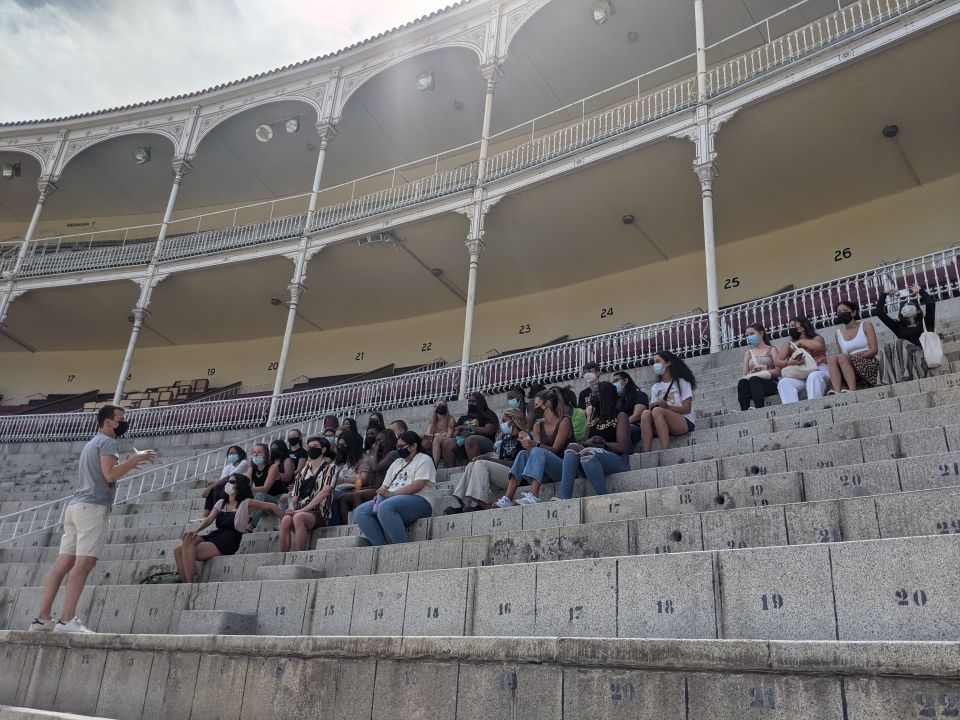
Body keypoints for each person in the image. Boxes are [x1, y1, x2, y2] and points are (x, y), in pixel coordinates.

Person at [30, 405, 155, 633]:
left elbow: (105, 472)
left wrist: (125, 463)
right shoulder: (107, 442)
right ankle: (67, 619)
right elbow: (110, 475)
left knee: (63, 563)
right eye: (121, 419)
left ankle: (42, 618)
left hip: (76, 506)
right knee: (84, 562)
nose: (124, 422)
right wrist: (134, 460)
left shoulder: (91, 443)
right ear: (109, 421)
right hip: (93, 507)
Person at [174, 474, 281, 582]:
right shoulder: (221, 502)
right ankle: (186, 583)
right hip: (216, 535)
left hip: (229, 540)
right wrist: (196, 530)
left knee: (184, 552)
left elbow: (273, 506)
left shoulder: (246, 503)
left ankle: (189, 584)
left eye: (232, 482)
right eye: (228, 481)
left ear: (239, 485)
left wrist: (285, 520)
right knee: (183, 543)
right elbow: (209, 519)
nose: (228, 484)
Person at [354, 431, 436, 546]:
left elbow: (418, 485)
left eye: (402, 446)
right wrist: (380, 495)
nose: (398, 449)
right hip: (390, 498)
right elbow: (384, 486)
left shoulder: (424, 459)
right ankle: (381, 546)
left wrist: (392, 495)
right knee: (360, 512)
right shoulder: (397, 462)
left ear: (413, 446)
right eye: (397, 446)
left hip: (420, 499)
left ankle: (399, 547)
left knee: (386, 506)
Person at [496, 388, 572, 507]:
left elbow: (555, 449)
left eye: (537, 404)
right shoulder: (538, 425)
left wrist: (534, 445)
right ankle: (508, 498)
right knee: (522, 454)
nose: (533, 408)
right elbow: (534, 452)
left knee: (537, 450)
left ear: (547, 404)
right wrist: (526, 441)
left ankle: (534, 496)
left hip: (563, 468)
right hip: (544, 472)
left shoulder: (564, 421)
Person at [559, 381, 630, 500]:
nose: (592, 396)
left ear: (607, 395)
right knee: (572, 447)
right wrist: (590, 440)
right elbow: (586, 442)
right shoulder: (594, 416)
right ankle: (564, 499)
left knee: (588, 453)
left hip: (617, 460)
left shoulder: (620, 416)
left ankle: (603, 497)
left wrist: (602, 443)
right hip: (590, 461)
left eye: (596, 393)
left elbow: (622, 447)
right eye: (592, 393)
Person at [450, 409, 526, 511]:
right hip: (503, 477)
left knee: (482, 463)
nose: (502, 424)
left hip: (516, 478)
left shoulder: (524, 438)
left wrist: (488, 459)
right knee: (472, 464)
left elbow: (518, 465)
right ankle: (465, 505)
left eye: (504, 421)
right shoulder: (505, 440)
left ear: (512, 421)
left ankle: (479, 504)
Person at [278, 437, 339, 552]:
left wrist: (304, 510)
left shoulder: (331, 468)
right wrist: (292, 508)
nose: (311, 449)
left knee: (298, 517)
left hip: (319, 511)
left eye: (315, 447)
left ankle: (300, 555)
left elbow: (325, 492)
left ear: (323, 449)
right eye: (309, 447)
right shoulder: (304, 470)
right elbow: (295, 494)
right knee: (285, 520)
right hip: (301, 508)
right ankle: (283, 556)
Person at [875, 283, 935, 384]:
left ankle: (909, 374)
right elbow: (879, 312)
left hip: (923, 355)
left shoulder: (926, 323)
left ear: (918, 311)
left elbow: (931, 303)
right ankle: (884, 380)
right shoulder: (898, 326)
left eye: (910, 305)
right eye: (904, 306)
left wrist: (920, 291)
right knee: (888, 347)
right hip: (904, 357)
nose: (907, 307)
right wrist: (884, 294)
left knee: (901, 343)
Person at [337, 430, 399, 524]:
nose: (376, 443)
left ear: (388, 441)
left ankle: (358, 523)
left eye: (380, 441)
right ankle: (345, 525)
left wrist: (375, 452)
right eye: (376, 441)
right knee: (344, 498)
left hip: (384, 488)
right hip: (373, 487)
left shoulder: (392, 454)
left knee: (357, 494)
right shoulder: (380, 455)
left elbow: (375, 468)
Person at [640, 350, 697, 452]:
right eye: (654, 362)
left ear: (668, 363)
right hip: (661, 422)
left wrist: (667, 407)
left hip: (683, 421)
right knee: (645, 413)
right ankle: (646, 453)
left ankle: (666, 450)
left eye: (658, 361)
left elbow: (687, 409)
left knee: (658, 411)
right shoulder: (655, 387)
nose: (655, 365)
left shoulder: (682, 382)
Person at [827, 300, 879, 393]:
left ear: (853, 312)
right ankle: (837, 391)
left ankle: (852, 390)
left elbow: (874, 350)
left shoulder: (866, 325)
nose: (842, 313)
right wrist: (851, 358)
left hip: (867, 361)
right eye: (839, 312)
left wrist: (858, 357)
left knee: (842, 358)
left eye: (845, 311)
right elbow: (843, 354)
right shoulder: (838, 333)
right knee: (832, 360)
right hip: (849, 364)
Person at [775, 316, 829, 404]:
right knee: (783, 382)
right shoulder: (789, 344)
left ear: (802, 328)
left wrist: (800, 342)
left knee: (813, 376)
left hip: (819, 370)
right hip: (800, 375)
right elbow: (777, 362)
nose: (790, 329)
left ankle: (814, 406)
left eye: (793, 326)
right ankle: (792, 411)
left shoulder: (817, 338)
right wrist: (789, 362)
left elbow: (819, 346)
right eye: (790, 327)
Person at [441, 392, 498, 468]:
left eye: (473, 401)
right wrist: (459, 431)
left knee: (471, 439)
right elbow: (454, 434)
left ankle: (472, 470)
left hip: (486, 443)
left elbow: (489, 430)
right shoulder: (463, 418)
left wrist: (469, 429)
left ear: (480, 403)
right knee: (447, 443)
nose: (470, 403)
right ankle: (451, 471)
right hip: (464, 441)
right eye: (469, 401)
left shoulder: (488, 414)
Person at [251, 439, 295, 528]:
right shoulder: (252, 468)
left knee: (260, 495)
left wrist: (276, 474)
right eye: (253, 452)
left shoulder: (277, 465)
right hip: (266, 500)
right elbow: (246, 484)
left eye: (259, 452)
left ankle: (250, 526)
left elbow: (265, 488)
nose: (255, 454)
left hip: (279, 498)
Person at [737, 323, 780, 410]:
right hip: (754, 384)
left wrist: (764, 369)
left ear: (761, 333)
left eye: (752, 334)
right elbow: (744, 376)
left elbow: (778, 371)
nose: (749, 337)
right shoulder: (748, 353)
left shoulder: (772, 349)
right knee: (742, 383)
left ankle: (759, 409)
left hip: (769, 383)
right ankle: (744, 411)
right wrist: (752, 372)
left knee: (754, 380)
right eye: (747, 335)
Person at [328, 429, 365, 525]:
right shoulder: (338, 460)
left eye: (344, 445)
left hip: (351, 488)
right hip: (334, 488)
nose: (341, 448)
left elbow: (361, 480)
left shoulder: (362, 459)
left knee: (333, 497)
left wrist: (342, 480)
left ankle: (336, 526)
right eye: (339, 445)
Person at [201, 445, 248, 517]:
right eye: (229, 454)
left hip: (239, 488)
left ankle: (215, 512)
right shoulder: (227, 467)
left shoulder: (243, 463)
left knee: (216, 486)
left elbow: (227, 478)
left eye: (232, 453)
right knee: (214, 486)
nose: (230, 455)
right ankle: (206, 514)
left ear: (240, 454)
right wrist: (211, 486)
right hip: (228, 488)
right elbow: (223, 480)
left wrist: (209, 488)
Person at [611, 371, 648, 448]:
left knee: (625, 430)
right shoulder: (616, 399)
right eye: (613, 382)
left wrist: (621, 426)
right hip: (619, 426)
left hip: (635, 426)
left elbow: (637, 416)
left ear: (626, 380)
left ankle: (626, 455)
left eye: (616, 380)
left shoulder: (639, 395)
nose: (614, 384)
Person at [421, 400, 456, 466]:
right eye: (439, 405)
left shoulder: (450, 419)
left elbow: (448, 437)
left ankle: (435, 465)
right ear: (435, 407)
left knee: (436, 440)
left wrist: (433, 436)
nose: (441, 406)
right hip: (433, 440)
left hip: (446, 441)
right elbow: (428, 434)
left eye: (443, 405)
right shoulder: (432, 421)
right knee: (424, 441)